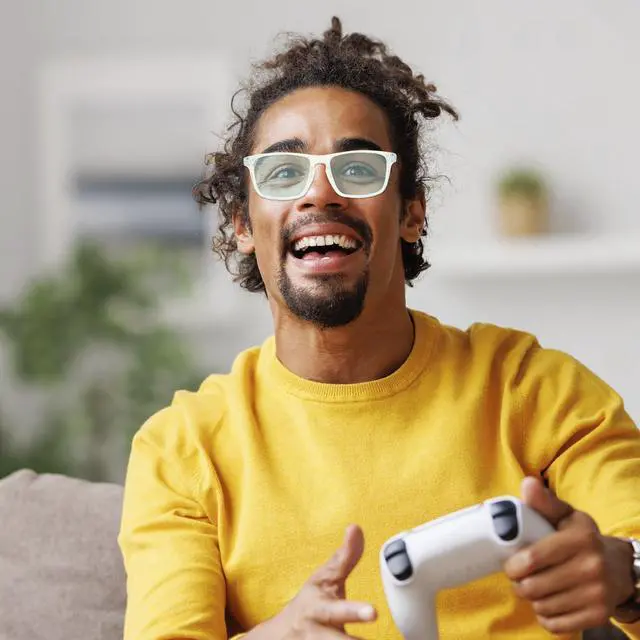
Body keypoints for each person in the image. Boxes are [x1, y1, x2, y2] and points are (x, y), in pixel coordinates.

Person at [118, 16, 640, 640]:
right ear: (242, 224)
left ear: (411, 213)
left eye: (359, 169)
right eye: (282, 173)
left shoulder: (535, 390)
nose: (319, 194)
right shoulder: (183, 449)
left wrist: (625, 573)